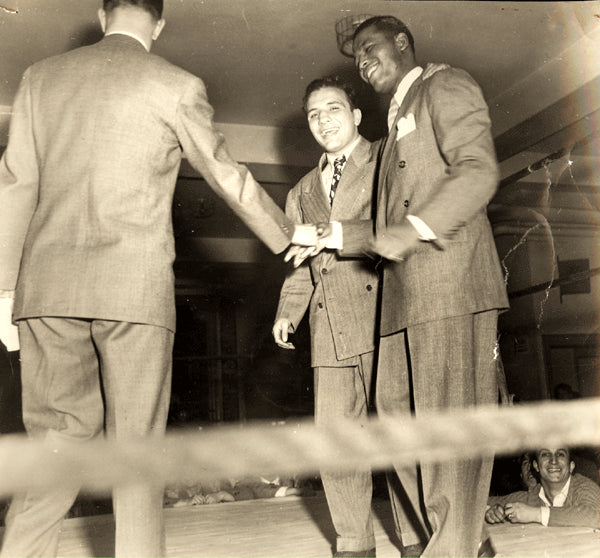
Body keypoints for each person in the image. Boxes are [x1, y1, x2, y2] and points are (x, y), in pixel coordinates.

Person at [0, 1, 315, 556]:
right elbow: (225, 173)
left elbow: (14, 187)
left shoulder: (38, 78)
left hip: (46, 292)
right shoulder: (174, 84)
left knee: (55, 446)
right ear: (159, 23)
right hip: (133, 292)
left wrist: (4, 290)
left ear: (102, 17)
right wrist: (288, 236)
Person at [352, 16, 509, 558]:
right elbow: (383, 225)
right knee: (396, 422)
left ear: (402, 43)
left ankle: (454, 549)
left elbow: (478, 170)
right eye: (356, 57)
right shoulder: (392, 126)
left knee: (445, 426)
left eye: (369, 47)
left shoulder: (444, 84)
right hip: (401, 298)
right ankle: (450, 542)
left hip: (449, 283)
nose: (362, 60)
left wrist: (415, 229)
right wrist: (320, 233)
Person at [272, 76, 380, 558]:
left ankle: (422, 538)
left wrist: (336, 233)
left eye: (333, 109)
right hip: (330, 328)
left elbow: (395, 228)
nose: (323, 121)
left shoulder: (385, 160)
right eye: (314, 115)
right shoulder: (299, 191)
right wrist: (287, 313)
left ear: (356, 116)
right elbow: (302, 264)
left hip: (385, 320)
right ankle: (354, 544)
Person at [485, 447, 600, 529]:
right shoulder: (532, 495)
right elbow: (481, 503)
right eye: (545, 454)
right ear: (536, 466)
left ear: (571, 466)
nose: (553, 461)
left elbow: (594, 516)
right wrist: (492, 511)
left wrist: (536, 514)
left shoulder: (584, 487)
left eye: (560, 454)